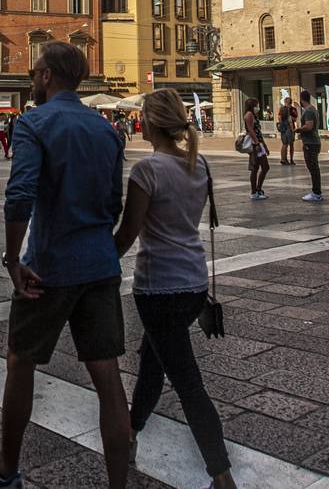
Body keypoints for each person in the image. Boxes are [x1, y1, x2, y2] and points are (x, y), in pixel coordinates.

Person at [0, 42, 131, 489]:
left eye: (34, 71)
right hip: (99, 265)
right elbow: (113, 204)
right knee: (108, 379)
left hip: (48, 266)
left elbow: (19, 195)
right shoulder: (108, 131)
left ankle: (6, 471)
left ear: (48, 76)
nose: (31, 79)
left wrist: (13, 259)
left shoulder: (33, 123)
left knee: (21, 363)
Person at [112, 89, 236, 489]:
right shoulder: (198, 165)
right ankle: (131, 431)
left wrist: (96, 261)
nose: (139, 122)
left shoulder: (147, 171)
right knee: (153, 363)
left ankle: (221, 473)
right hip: (194, 283)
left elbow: (127, 235)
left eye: (142, 117)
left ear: (150, 123)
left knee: (188, 384)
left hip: (159, 287)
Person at [298, 90, 325, 203]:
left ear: (301, 99)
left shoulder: (308, 111)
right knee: (314, 168)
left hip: (310, 142)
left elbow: (309, 126)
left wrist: (298, 130)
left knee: (313, 167)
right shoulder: (313, 109)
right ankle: (316, 192)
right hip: (314, 141)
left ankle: (316, 192)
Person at [242, 98, 269, 200]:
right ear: (252, 105)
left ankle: (258, 189)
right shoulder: (249, 115)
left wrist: (264, 145)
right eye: (256, 105)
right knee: (256, 168)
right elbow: (251, 130)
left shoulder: (253, 115)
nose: (258, 107)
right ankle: (254, 191)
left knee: (263, 167)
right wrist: (258, 144)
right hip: (255, 145)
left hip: (259, 144)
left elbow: (258, 132)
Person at [277, 96, 296, 166]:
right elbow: (291, 121)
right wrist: (292, 130)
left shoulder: (282, 109)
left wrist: (281, 124)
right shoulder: (291, 110)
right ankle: (289, 159)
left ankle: (283, 159)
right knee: (290, 144)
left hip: (283, 129)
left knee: (284, 144)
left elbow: (279, 117)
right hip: (289, 129)